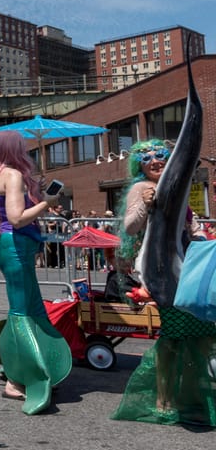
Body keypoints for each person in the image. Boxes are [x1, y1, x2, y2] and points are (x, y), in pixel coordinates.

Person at [111, 139, 216, 426]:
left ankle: (191, 395)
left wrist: (202, 240)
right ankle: (164, 398)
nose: (156, 161)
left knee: (200, 333)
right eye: (148, 158)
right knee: (173, 336)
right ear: (140, 165)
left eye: (161, 155)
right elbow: (131, 226)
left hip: (189, 269)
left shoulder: (177, 185)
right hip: (163, 272)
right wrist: (146, 204)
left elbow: (192, 227)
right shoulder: (141, 187)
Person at [0, 130, 71, 415]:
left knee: (28, 306)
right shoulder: (13, 176)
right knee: (22, 309)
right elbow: (17, 220)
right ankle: (17, 379)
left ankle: (25, 368)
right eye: (23, 146)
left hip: (9, 244)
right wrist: (47, 204)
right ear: (16, 148)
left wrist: (36, 195)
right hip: (15, 244)